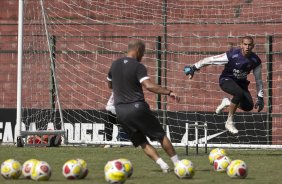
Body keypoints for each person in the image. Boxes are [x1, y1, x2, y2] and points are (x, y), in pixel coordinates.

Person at [107, 40, 180, 173]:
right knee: (160, 135)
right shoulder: (138, 66)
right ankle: (178, 164)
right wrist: (169, 92)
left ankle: (163, 166)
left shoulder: (114, 64)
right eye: (143, 52)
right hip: (137, 107)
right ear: (139, 51)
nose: (143, 55)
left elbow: (110, 85)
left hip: (121, 111)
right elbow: (149, 85)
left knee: (142, 142)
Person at [184, 36, 264, 134]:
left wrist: (260, 98)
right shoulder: (232, 55)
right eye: (245, 44)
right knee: (238, 93)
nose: (247, 47)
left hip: (241, 84)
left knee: (248, 106)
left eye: (250, 45)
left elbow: (259, 80)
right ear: (241, 45)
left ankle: (227, 102)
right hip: (226, 80)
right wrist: (194, 67)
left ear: (253, 46)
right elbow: (211, 60)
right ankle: (229, 122)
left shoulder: (256, 61)